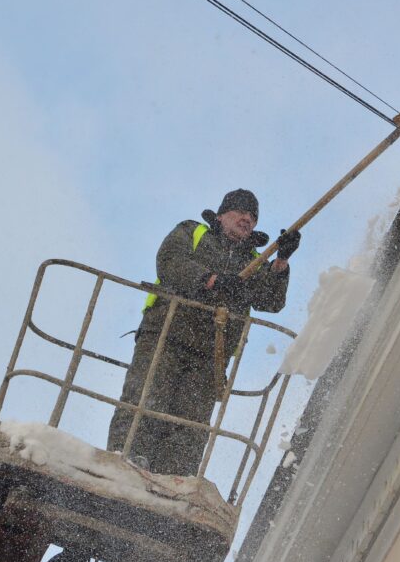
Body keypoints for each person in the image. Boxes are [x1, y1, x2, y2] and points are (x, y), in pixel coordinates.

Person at [108, 189, 301, 476]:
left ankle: (171, 481)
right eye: (240, 211)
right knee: (147, 400)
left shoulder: (254, 262)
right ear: (222, 215)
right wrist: (211, 280)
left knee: (190, 422)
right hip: (166, 335)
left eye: (253, 216)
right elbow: (171, 261)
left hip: (211, 354)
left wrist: (280, 263)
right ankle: (123, 464)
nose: (247, 218)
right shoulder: (192, 233)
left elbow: (270, 300)